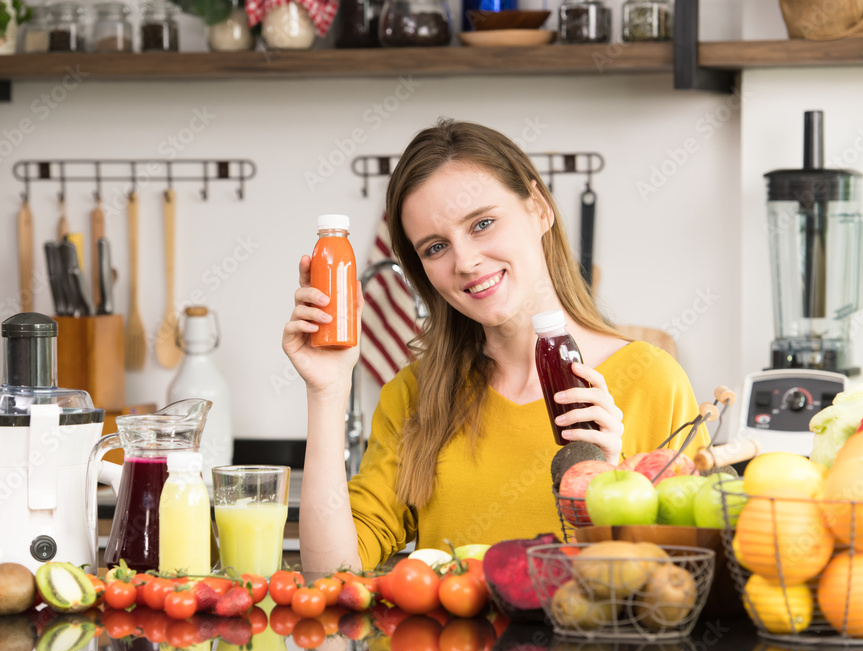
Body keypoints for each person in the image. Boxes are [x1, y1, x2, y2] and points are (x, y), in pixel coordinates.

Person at [283, 119, 709, 574]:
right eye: (435, 247)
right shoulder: (414, 397)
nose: (465, 261)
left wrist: (608, 482)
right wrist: (326, 393)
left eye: (482, 223)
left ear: (539, 209)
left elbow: (685, 581)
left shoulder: (652, 382)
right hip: (446, 647)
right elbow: (330, 574)